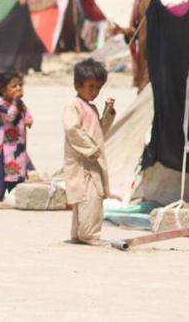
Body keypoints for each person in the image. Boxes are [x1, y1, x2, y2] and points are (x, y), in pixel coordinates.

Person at [63, 59, 116, 245]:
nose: (95, 92)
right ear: (78, 85)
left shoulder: (91, 107)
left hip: (93, 162)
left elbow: (99, 131)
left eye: (98, 88)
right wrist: (89, 149)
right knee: (88, 199)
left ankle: (80, 234)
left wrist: (108, 112)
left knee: (90, 198)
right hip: (82, 163)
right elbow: (72, 130)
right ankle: (89, 235)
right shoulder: (74, 106)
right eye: (91, 87)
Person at [109, 0, 167, 92]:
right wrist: (124, 31)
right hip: (142, 57)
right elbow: (138, 30)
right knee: (142, 91)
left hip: (157, 57)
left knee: (150, 92)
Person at [0, 72, 34, 206]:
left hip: (19, 145)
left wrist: (29, 120)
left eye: (20, 85)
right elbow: (10, 117)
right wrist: (15, 102)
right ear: (3, 90)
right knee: (1, 172)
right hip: (5, 146)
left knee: (19, 170)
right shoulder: (2, 106)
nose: (18, 88)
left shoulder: (21, 104)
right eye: (14, 86)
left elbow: (27, 114)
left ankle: (14, 194)